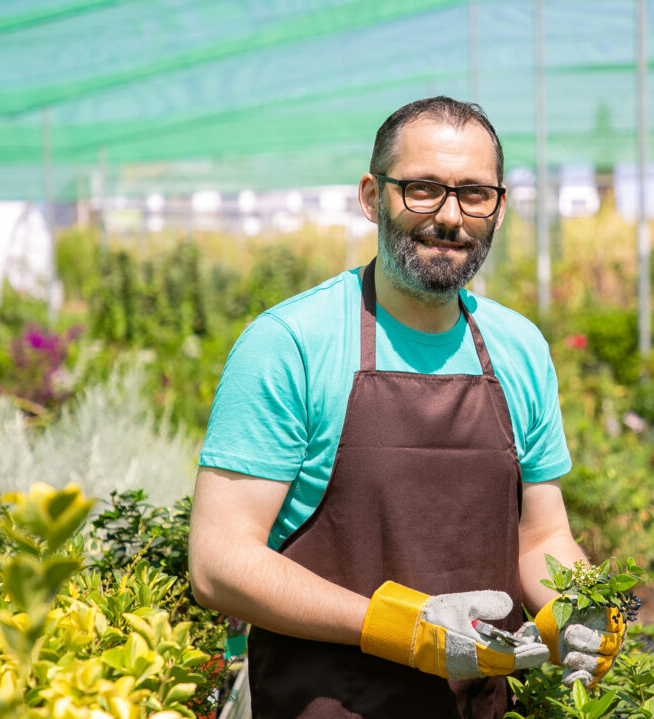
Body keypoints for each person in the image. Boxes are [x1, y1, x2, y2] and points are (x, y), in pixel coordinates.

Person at [189, 96, 624, 719]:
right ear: (373, 197)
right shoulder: (293, 343)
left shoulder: (520, 349)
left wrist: (577, 604)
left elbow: (543, 535)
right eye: (423, 188)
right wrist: (401, 628)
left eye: (476, 194)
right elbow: (219, 562)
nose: (450, 216)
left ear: (499, 207)